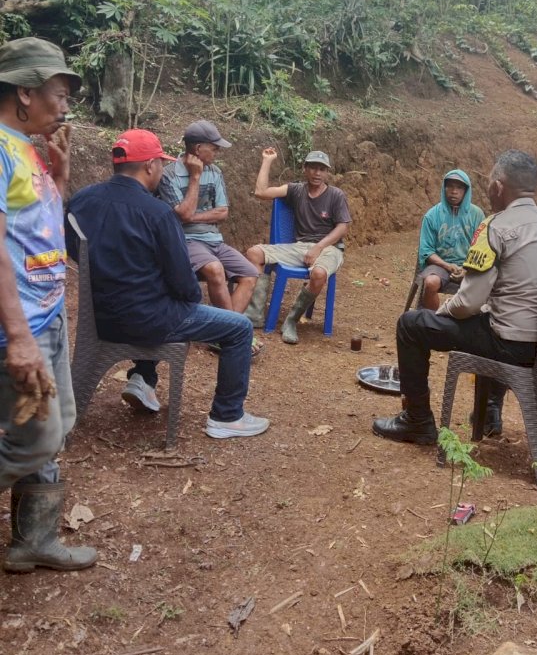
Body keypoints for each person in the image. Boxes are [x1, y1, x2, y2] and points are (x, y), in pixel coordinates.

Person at [66, 129, 270, 440]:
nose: (162, 169)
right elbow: (186, 286)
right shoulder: (158, 213)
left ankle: (144, 378)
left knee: (171, 309)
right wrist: (182, 296)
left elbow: (72, 249)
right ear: (149, 166)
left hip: (100, 316)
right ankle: (227, 416)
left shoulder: (81, 200)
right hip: (148, 320)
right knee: (239, 327)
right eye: (160, 163)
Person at [372, 150, 537, 445]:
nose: (488, 188)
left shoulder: (496, 225)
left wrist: (441, 312)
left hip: (508, 346)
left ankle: (417, 421)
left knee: (412, 325)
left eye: (490, 182)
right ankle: (489, 413)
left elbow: (467, 304)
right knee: (494, 318)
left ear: (499, 187)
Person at [0, 36, 96, 572]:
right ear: (23, 93)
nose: (64, 105)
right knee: (35, 441)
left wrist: (57, 178)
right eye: (58, 92)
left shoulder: (26, 148)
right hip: (19, 327)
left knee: (57, 422)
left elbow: (35, 233)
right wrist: (17, 337)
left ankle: (33, 540)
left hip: (48, 315)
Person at [157, 119, 263, 361]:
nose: (217, 151)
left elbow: (222, 212)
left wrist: (191, 215)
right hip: (185, 241)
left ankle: (223, 334)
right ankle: (233, 335)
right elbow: (180, 219)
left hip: (214, 240)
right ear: (197, 149)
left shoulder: (215, 172)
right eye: (213, 147)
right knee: (215, 270)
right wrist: (195, 178)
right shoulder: (169, 174)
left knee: (249, 274)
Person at [245, 148, 352, 344]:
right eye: (313, 168)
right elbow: (261, 192)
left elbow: (343, 227)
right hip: (299, 247)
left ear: (327, 172)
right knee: (254, 253)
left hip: (330, 248)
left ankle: (291, 320)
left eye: (322, 169)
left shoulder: (336, 195)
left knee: (319, 274)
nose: (317, 173)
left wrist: (318, 247)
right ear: (305, 169)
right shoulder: (296, 190)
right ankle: (255, 315)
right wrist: (267, 161)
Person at [416, 169, 484, 310]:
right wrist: (447, 266)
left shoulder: (477, 215)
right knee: (431, 283)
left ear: (466, 191)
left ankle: (468, 325)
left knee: (489, 285)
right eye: (450, 186)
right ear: (444, 188)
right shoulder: (432, 215)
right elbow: (426, 251)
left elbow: (482, 247)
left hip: (469, 267)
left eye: (459, 187)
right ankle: (432, 321)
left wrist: (467, 268)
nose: (454, 191)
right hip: (440, 265)